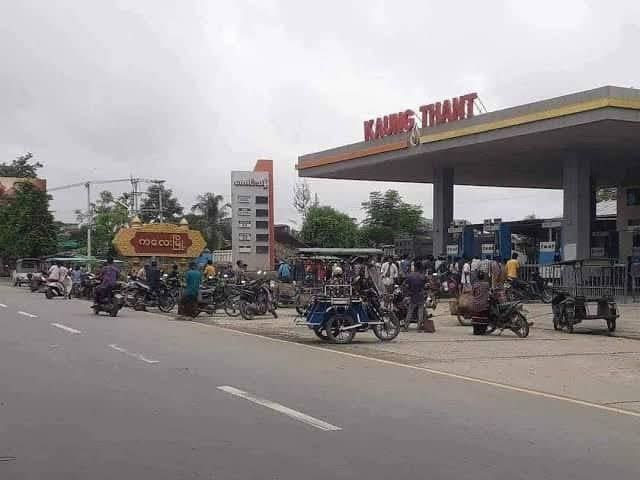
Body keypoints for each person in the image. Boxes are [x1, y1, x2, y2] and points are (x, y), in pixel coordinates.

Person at [403, 262, 427, 332]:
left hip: (413, 295)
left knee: (410, 311)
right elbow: (426, 286)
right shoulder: (423, 276)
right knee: (420, 312)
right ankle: (418, 328)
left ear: (415, 267)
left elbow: (404, 285)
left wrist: (408, 291)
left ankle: (406, 327)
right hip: (421, 295)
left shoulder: (410, 276)